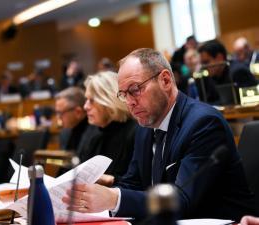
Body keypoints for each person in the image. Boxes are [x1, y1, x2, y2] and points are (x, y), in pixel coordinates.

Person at [62, 48, 256, 222]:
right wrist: (103, 196)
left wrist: (114, 199)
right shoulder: (145, 126)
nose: (129, 102)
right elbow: (133, 183)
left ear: (165, 80)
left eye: (135, 90)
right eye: (123, 94)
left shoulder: (203, 123)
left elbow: (181, 199)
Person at [77, 71, 136, 185]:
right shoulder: (93, 134)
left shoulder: (136, 133)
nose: (85, 107)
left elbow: (140, 184)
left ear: (109, 100)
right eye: (86, 100)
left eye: (92, 101)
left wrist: (111, 180)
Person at [198, 39, 257, 104]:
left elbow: (249, 101)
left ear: (219, 58)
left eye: (206, 62)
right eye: (202, 64)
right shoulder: (210, 77)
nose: (204, 67)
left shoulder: (239, 72)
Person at [55, 87, 92, 151]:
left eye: (60, 113)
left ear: (78, 112)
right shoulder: (64, 133)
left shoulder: (95, 134)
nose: (58, 117)